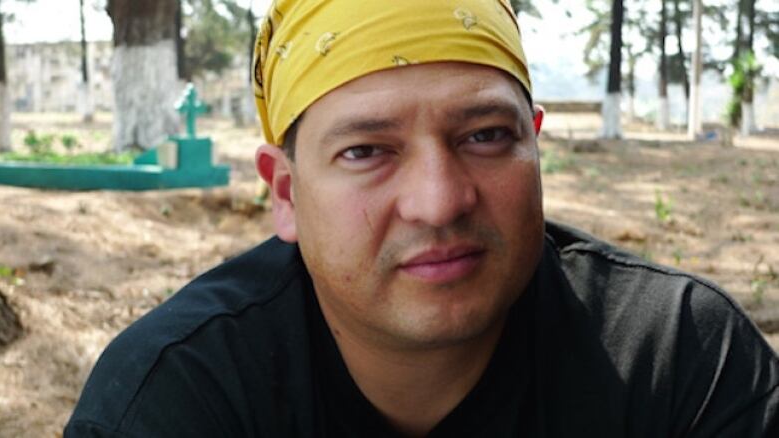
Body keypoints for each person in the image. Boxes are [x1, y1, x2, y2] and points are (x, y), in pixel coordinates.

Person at [65, 0, 779, 436]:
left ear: (535, 143)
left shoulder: (676, 360)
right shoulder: (177, 399)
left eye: (485, 136)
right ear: (285, 193)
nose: (440, 201)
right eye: (367, 150)